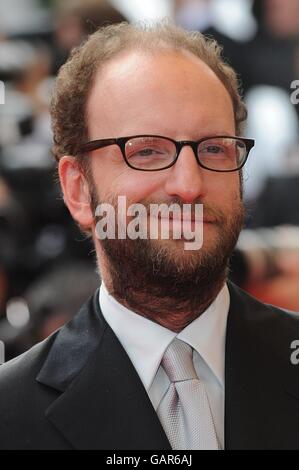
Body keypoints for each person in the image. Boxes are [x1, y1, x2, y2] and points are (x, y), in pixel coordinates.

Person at [0, 21, 298, 451]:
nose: (188, 184)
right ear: (78, 189)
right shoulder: (11, 416)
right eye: (147, 151)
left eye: (214, 148)